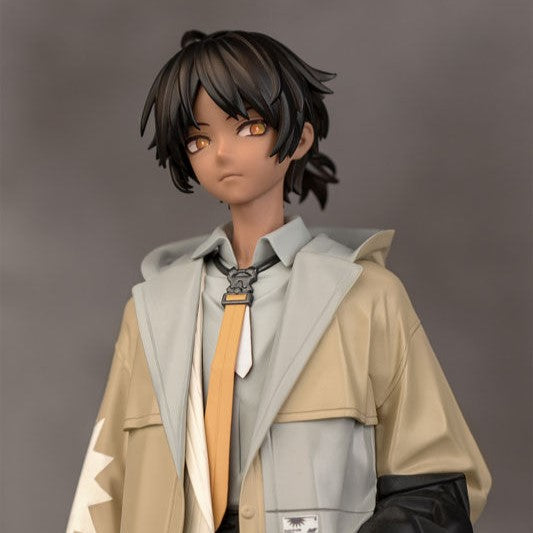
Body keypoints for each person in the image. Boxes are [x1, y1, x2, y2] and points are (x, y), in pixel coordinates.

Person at [66, 30, 491, 533]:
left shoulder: (365, 298)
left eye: (248, 127)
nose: (222, 152)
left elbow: (436, 481)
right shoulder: (151, 310)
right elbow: (103, 486)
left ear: (300, 138)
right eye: (199, 139)